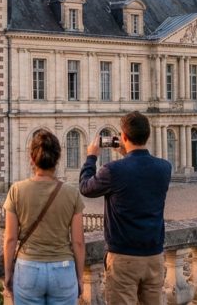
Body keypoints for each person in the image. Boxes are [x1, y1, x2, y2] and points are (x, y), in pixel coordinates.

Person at [79, 111, 171, 305]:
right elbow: (138, 175)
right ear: (147, 136)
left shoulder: (113, 170)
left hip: (124, 258)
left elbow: (85, 188)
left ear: (124, 137)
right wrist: (127, 154)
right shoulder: (164, 168)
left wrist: (91, 157)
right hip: (154, 256)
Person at [3, 129, 86, 305]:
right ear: (58, 159)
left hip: (28, 269)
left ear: (32, 159)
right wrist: (80, 277)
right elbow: (78, 242)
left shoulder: (17, 190)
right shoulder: (72, 193)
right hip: (63, 269)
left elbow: (10, 239)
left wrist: (8, 273)